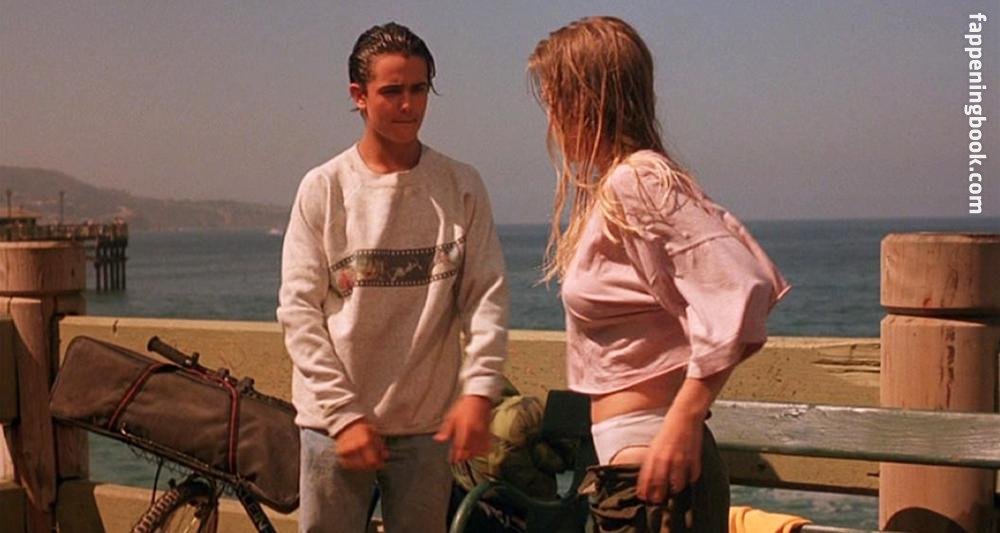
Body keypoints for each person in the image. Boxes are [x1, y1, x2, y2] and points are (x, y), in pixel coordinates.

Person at [527, 17, 790, 532]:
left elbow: (742, 286)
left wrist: (684, 418)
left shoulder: (637, 181)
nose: (551, 120)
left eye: (555, 101)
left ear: (586, 101)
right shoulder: (625, 182)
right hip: (635, 472)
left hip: (654, 474)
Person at [277, 22, 508, 533]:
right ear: (358, 96)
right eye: (392, 91)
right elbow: (298, 313)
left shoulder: (461, 186)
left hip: (426, 429)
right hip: (333, 428)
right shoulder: (325, 188)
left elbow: (485, 297)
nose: (409, 105)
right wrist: (344, 415)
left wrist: (479, 391)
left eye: (419, 89)